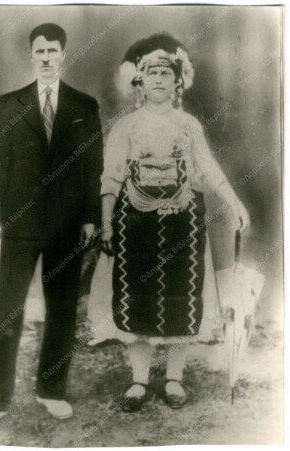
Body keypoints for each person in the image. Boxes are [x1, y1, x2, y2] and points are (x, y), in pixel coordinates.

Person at [96, 32, 250, 411]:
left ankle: (175, 379)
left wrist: (234, 203)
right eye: (152, 73)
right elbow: (110, 179)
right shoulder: (125, 128)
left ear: (177, 80)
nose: (160, 79)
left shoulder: (189, 125)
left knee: (182, 301)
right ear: (140, 81)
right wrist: (107, 224)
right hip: (135, 225)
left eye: (166, 73)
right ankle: (138, 381)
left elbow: (209, 169)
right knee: (137, 300)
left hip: (184, 224)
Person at [0, 23, 103, 433]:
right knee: (5, 309)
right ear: (32, 55)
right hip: (20, 222)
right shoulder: (8, 104)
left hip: (66, 225)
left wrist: (90, 218)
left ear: (64, 54)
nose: (46, 57)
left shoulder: (84, 105)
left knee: (62, 311)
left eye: (53, 50)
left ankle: (52, 391)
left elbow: (92, 166)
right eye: (39, 51)